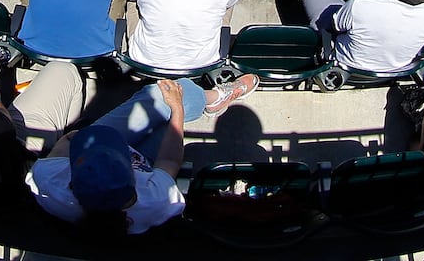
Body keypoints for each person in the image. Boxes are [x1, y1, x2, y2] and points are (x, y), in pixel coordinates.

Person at [26, 75, 258, 234]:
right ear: (132, 183)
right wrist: (176, 108)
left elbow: (70, 139)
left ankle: (208, 99)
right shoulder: (157, 200)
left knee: (168, 104)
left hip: (116, 151)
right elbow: (168, 160)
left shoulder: (47, 181)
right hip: (144, 158)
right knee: (175, 99)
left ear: (73, 184)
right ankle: (214, 97)